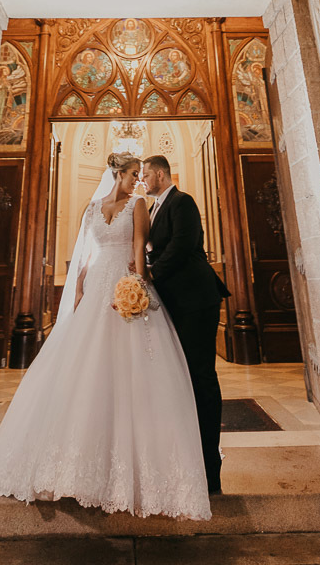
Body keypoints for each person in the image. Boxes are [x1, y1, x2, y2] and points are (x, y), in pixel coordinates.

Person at [0, 152, 211, 520]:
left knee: (132, 362)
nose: (138, 181)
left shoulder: (137, 206)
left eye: (141, 174)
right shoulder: (93, 207)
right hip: (98, 280)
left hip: (123, 281)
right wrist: (81, 284)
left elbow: (139, 248)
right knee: (84, 367)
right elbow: (86, 250)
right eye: (134, 174)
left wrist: (136, 283)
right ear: (117, 174)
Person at [141, 154, 230, 494]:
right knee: (181, 377)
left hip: (196, 300)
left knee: (201, 375)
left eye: (146, 174)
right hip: (174, 302)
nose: (142, 180)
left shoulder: (183, 202)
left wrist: (150, 274)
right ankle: (188, 459)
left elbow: (182, 245)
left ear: (161, 174)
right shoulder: (152, 209)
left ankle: (211, 468)